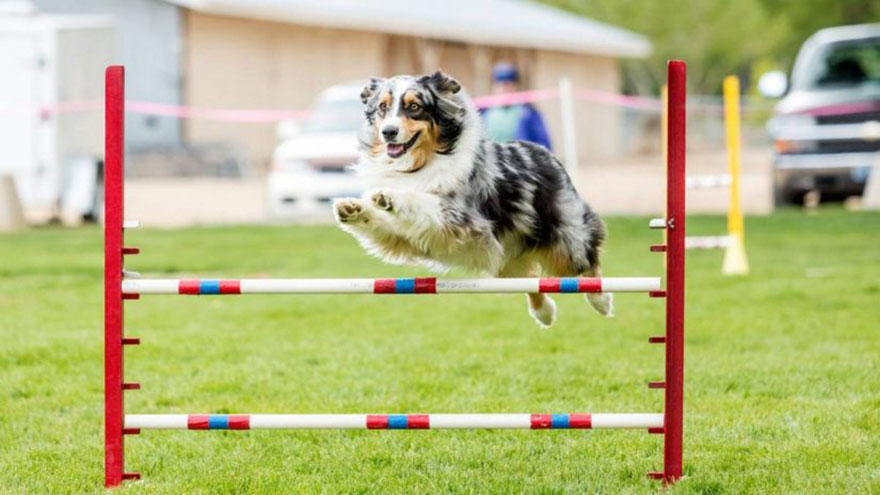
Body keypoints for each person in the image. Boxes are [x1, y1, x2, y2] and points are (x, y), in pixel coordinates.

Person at [481, 63, 552, 149]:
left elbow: (544, 146)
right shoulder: (484, 114)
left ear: (515, 87)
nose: (503, 89)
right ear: (493, 87)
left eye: (508, 85)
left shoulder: (528, 114)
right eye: (499, 85)